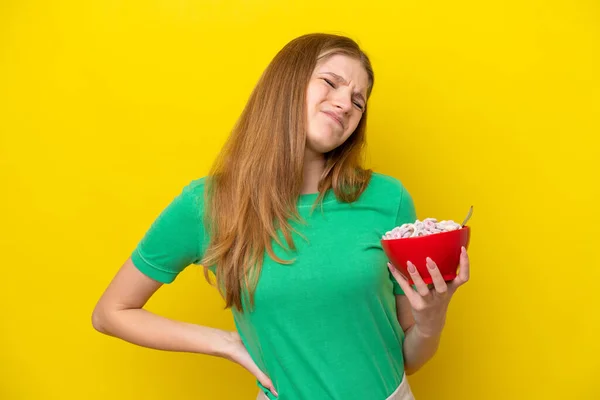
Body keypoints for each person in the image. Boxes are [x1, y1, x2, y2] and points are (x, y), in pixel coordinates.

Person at [91, 32, 470, 400]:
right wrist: (225, 343)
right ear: (286, 85)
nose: (345, 104)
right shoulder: (208, 204)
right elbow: (111, 312)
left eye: (358, 101)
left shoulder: (389, 200)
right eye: (331, 82)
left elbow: (408, 359)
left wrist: (431, 319)